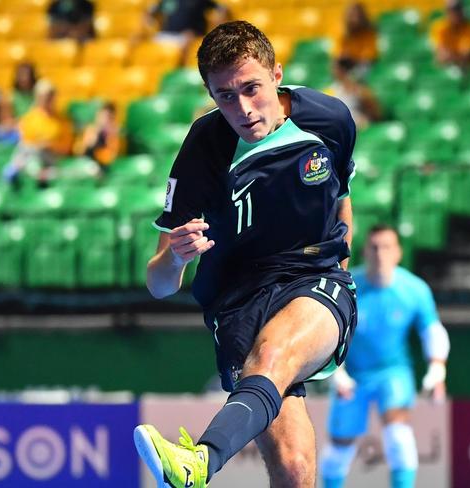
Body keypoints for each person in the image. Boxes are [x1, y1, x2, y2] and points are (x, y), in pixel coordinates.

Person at [133, 20, 358, 488]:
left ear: (277, 74)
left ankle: (199, 463)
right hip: (236, 301)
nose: (243, 108)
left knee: (273, 353)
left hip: (313, 278)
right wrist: (175, 257)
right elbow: (158, 284)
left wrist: (342, 264)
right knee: (294, 471)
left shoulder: (330, 120)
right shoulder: (204, 148)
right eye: (225, 96)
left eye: (251, 88)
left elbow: (341, 194)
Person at [319, 224, 450, 488]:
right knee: (339, 448)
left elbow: (432, 332)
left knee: (398, 435)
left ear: (398, 252)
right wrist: (337, 374)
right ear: (365, 252)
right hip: (351, 376)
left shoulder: (415, 290)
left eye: (387, 247)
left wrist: (437, 371)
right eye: (374, 247)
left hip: (393, 372)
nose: (380, 254)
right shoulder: (348, 288)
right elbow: (327, 334)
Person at [4, 79, 73, 186]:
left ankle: (17, 166)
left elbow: (66, 147)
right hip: (32, 155)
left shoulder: (62, 120)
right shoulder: (29, 119)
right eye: (44, 97)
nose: (47, 100)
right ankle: (27, 170)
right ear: (38, 98)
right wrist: (38, 145)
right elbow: (26, 141)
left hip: (53, 157)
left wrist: (49, 145)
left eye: (50, 96)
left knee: (30, 154)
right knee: (30, 155)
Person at [138, 0, 230, 65]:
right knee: (143, 45)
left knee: (186, 39)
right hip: (166, 34)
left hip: (189, 36)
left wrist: (218, 22)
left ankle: (179, 70)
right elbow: (150, 12)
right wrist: (151, 25)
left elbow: (221, 8)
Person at [327, 57, 382, 129]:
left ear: (343, 70)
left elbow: (376, 114)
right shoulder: (331, 90)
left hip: (361, 129)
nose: (332, 71)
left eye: (335, 68)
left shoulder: (360, 90)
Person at [429, 0, 470, 71]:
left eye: (457, 10)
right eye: (452, 10)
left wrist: (452, 56)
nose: (455, 13)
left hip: (464, 66)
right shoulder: (439, 27)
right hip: (445, 67)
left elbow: (466, 54)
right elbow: (441, 54)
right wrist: (455, 56)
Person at [75, 101, 122, 172]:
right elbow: (78, 150)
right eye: (102, 116)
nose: (104, 119)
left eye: (108, 117)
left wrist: (110, 135)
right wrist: (90, 140)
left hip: (105, 165)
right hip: (88, 162)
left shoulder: (115, 133)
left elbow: (112, 155)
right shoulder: (91, 129)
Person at [334, 2, 378, 75]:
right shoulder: (343, 34)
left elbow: (369, 56)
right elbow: (340, 56)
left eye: (357, 15)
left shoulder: (369, 32)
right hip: (349, 66)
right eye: (352, 15)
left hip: (367, 65)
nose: (354, 19)